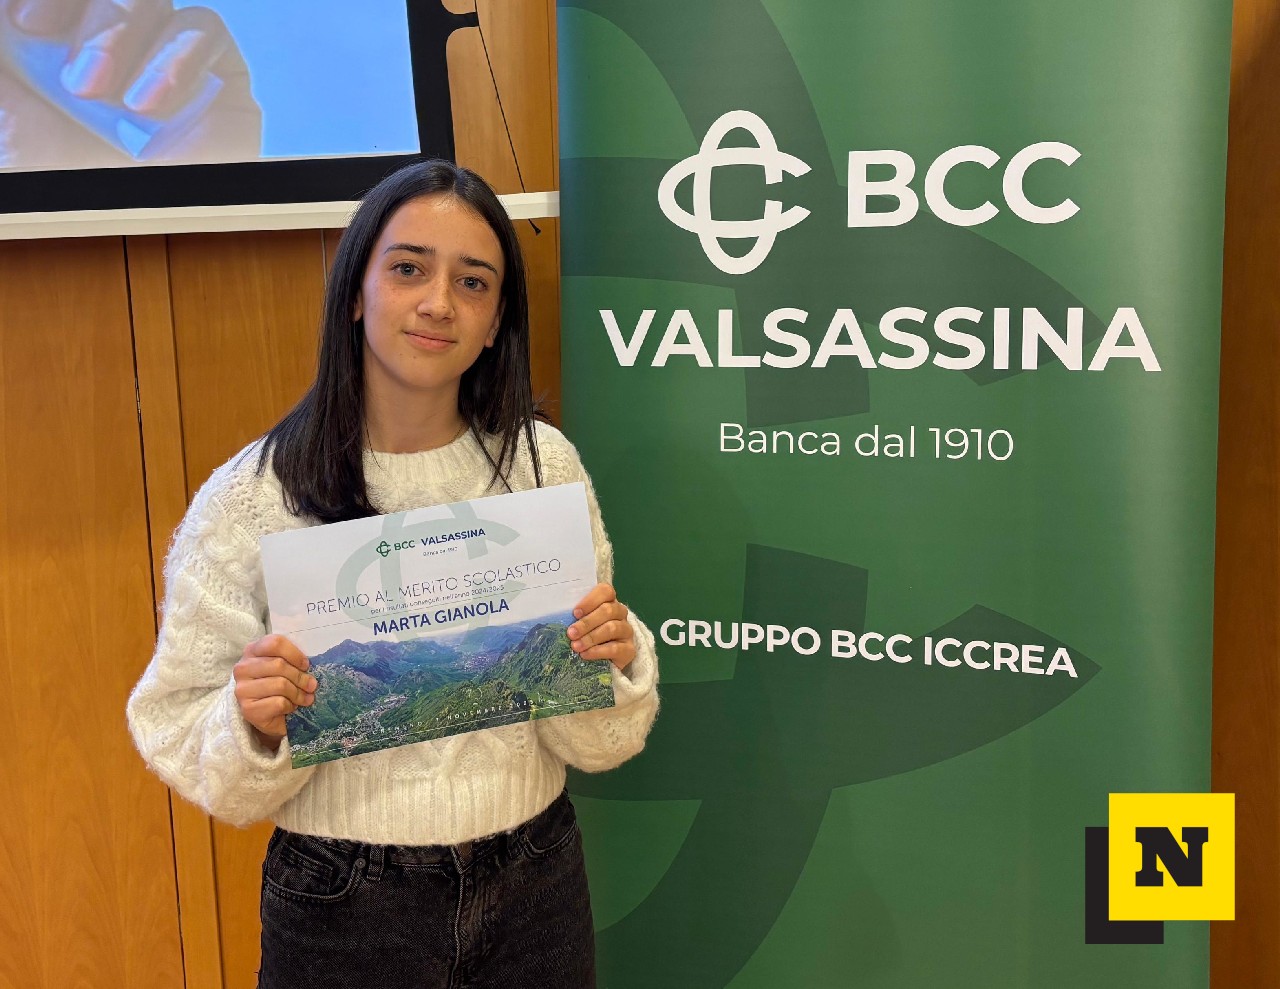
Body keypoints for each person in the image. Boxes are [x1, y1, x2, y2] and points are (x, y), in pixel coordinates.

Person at [125, 159, 660, 989]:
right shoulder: (251, 499)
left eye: (473, 282)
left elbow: (599, 741)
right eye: (409, 268)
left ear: (496, 322)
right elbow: (179, 725)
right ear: (355, 292)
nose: (439, 301)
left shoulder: (542, 466)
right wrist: (252, 721)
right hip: (343, 904)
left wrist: (614, 662)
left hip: (537, 880)